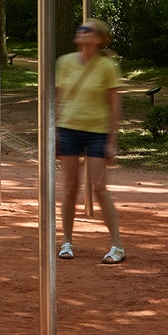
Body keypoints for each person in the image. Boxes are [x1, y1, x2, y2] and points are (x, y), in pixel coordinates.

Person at [54, 16, 125, 263]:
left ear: (98, 39)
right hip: (68, 130)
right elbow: (59, 98)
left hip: (97, 133)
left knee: (99, 188)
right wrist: (55, 134)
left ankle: (117, 245)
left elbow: (115, 105)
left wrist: (111, 140)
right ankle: (66, 242)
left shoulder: (107, 67)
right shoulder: (64, 62)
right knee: (70, 188)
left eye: (87, 29)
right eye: (80, 28)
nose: (81, 31)